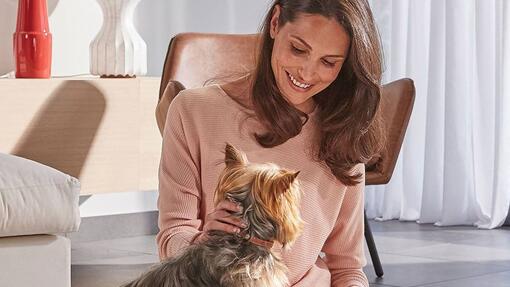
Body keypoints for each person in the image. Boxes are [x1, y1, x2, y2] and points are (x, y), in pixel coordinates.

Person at [157, 0, 383, 286]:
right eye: (298, 49)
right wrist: (198, 242)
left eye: (329, 62)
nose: (307, 73)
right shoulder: (194, 110)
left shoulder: (342, 134)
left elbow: (347, 269)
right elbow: (172, 236)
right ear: (275, 22)